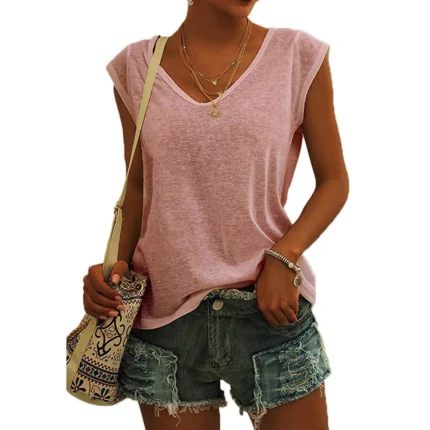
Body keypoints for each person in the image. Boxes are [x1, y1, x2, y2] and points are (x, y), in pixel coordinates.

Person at [82, 1, 349, 429]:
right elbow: (138, 189)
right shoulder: (135, 67)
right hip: (165, 322)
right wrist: (112, 272)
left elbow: (334, 181)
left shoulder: (298, 56)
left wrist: (285, 255)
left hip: (269, 311)